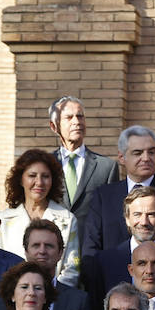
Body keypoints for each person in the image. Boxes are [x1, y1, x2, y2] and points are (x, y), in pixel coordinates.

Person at [80, 125, 155, 256]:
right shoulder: (103, 196)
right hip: (111, 274)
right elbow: (91, 247)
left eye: (151, 152)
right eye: (138, 153)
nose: (146, 158)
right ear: (121, 157)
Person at [0, 148, 81, 287]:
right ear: (21, 180)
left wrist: (50, 295)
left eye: (45, 176)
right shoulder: (3, 220)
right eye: (32, 175)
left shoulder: (67, 219)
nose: (39, 182)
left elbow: (73, 267)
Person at [20, 220, 97, 310]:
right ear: (26, 251)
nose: (42, 251)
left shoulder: (79, 300)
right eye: (36, 245)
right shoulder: (10, 295)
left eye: (49, 246)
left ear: (61, 253)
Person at [49, 95, 118, 224]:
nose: (76, 122)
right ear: (54, 126)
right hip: (52, 241)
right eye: (69, 117)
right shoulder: (45, 165)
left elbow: (111, 214)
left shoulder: (106, 167)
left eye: (80, 116)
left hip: (90, 242)